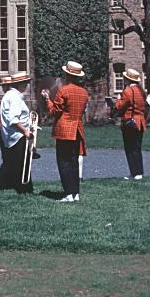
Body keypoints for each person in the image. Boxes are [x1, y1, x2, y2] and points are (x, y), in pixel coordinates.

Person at [43, 60, 89, 202]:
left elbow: (53, 111)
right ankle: (75, 193)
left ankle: (68, 193)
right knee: (73, 161)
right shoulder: (83, 92)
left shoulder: (63, 90)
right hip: (77, 129)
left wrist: (47, 99)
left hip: (64, 129)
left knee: (63, 161)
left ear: (67, 75)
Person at [0, 71, 34, 194]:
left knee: (17, 164)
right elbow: (14, 119)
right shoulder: (15, 97)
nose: (27, 85)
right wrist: (25, 131)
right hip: (17, 135)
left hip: (12, 135)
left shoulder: (10, 96)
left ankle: (24, 189)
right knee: (19, 164)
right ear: (19, 84)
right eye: (25, 83)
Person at [115, 68, 146, 180]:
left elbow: (119, 106)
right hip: (140, 121)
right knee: (137, 148)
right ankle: (139, 171)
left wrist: (118, 99)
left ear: (127, 79)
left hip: (130, 121)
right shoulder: (141, 91)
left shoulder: (127, 91)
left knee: (130, 148)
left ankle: (135, 172)